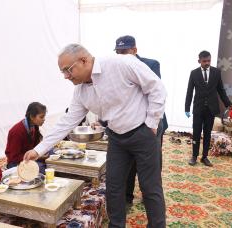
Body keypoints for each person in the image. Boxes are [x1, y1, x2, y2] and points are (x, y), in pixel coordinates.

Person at [23, 44, 167, 227]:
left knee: (150, 188)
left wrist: (152, 123)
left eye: (68, 70)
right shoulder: (80, 91)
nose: (66, 76)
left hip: (143, 133)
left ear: (83, 60)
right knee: (114, 188)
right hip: (116, 138)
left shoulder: (119, 64)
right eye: (63, 72)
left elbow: (156, 88)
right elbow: (67, 121)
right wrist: (38, 149)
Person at [114, 35, 168, 208]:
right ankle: (127, 196)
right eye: (118, 52)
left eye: (124, 51)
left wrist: (151, 124)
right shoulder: (115, 68)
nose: (121, 55)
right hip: (130, 123)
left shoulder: (151, 64)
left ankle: (149, 195)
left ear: (135, 50)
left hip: (153, 122)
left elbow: (154, 92)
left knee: (152, 163)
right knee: (129, 161)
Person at [185, 50, 232, 167]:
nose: (207, 63)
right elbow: (189, 91)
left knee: (207, 133)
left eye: (208, 61)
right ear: (199, 61)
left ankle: (204, 157)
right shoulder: (194, 73)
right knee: (196, 133)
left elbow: (221, 90)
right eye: (204, 61)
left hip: (211, 109)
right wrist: (186, 107)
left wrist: (228, 104)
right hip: (198, 108)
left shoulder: (216, 72)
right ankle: (194, 156)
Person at [5, 102, 49, 173]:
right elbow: (14, 157)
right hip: (16, 163)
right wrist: (38, 156)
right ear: (32, 117)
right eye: (41, 117)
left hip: (29, 157)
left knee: (51, 151)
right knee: (41, 168)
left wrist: (40, 153)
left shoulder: (34, 126)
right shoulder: (17, 131)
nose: (44, 119)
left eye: (44, 117)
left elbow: (36, 147)